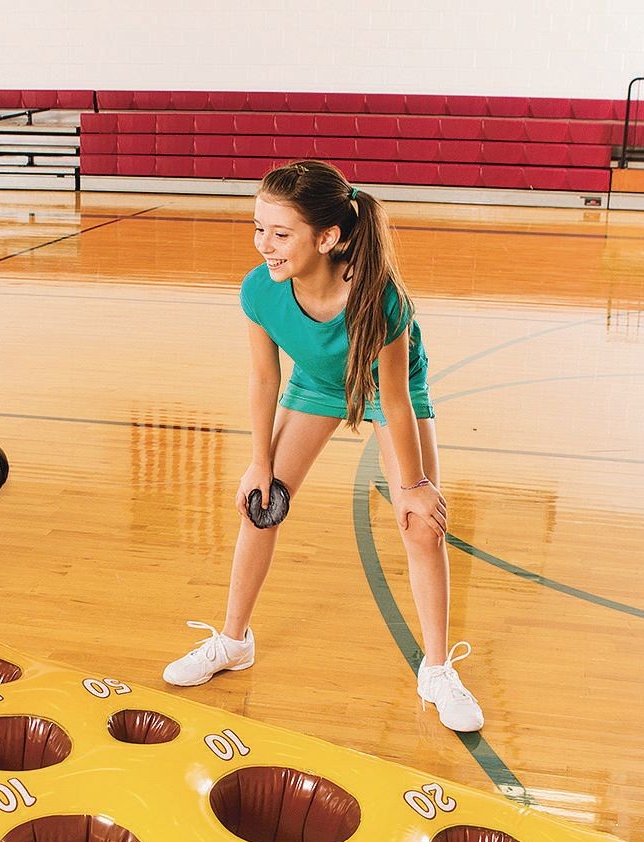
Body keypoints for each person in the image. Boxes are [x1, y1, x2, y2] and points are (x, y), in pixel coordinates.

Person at [163, 159, 483, 733]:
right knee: (260, 507)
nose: (265, 244)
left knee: (420, 524)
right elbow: (265, 381)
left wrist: (412, 488)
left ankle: (436, 670)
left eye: (281, 234)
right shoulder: (260, 290)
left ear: (328, 237)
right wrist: (259, 463)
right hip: (314, 383)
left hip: (392, 389)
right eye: (258, 228)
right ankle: (233, 641)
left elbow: (393, 398)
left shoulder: (380, 299)